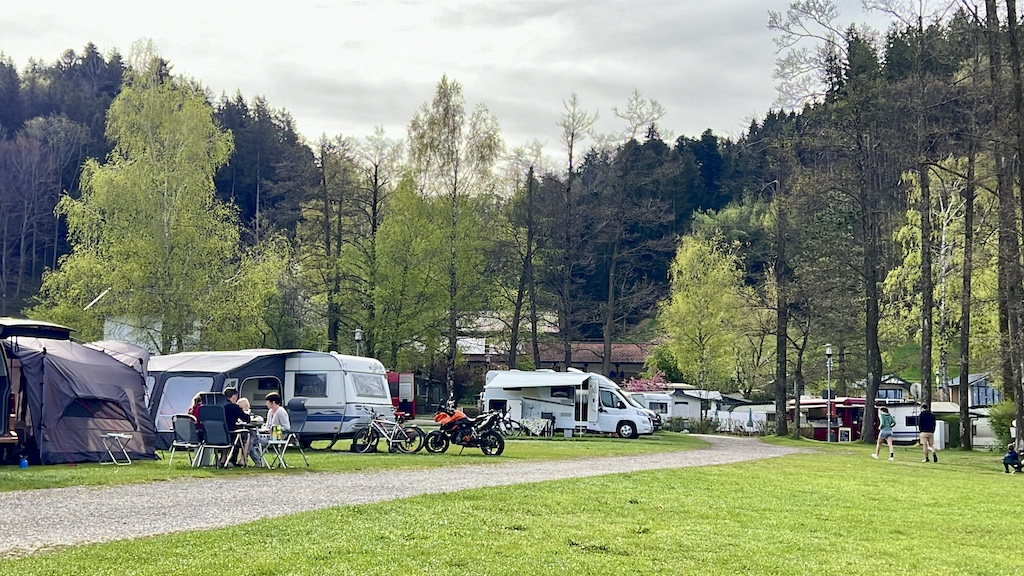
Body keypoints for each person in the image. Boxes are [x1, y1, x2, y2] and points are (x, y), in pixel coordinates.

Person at [222, 388, 250, 467]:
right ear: (233, 397)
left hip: (216, 436)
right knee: (247, 434)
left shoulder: (218, 406)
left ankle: (223, 459)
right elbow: (246, 418)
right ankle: (243, 460)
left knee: (226, 435)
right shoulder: (233, 407)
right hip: (230, 434)